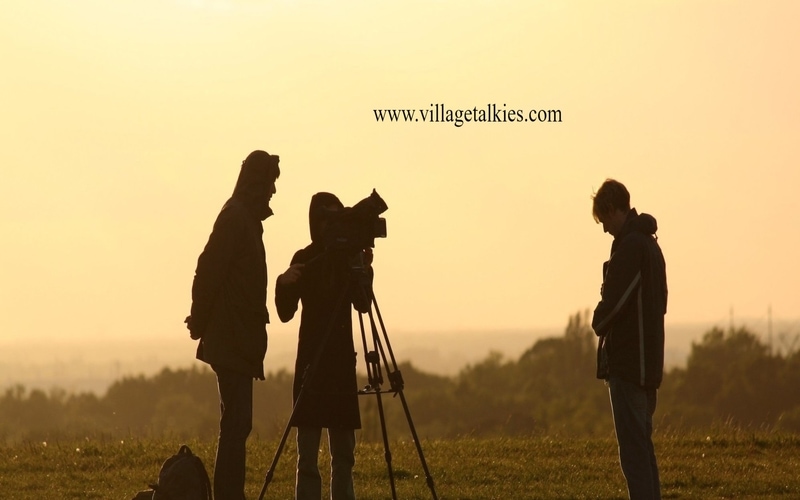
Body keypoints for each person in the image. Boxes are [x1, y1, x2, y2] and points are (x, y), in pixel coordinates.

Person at [185, 149, 281, 500]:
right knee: (236, 423)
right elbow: (208, 270)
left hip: (237, 338)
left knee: (238, 423)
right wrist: (199, 320)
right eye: (270, 183)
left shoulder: (243, 218)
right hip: (232, 338)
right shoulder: (236, 218)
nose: (273, 191)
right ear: (258, 183)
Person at [275, 192, 371, 500]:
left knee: (344, 455)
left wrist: (363, 270)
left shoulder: (347, 258)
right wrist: (283, 283)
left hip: (340, 364)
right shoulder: (305, 258)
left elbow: (363, 304)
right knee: (308, 457)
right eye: (327, 218)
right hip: (312, 365)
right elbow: (285, 313)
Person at [590, 179, 667, 500]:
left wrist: (597, 318)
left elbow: (611, 307)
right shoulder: (650, 245)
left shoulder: (631, 247)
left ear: (612, 209)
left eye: (604, 220)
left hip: (629, 365)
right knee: (643, 450)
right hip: (648, 365)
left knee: (634, 454)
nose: (605, 229)